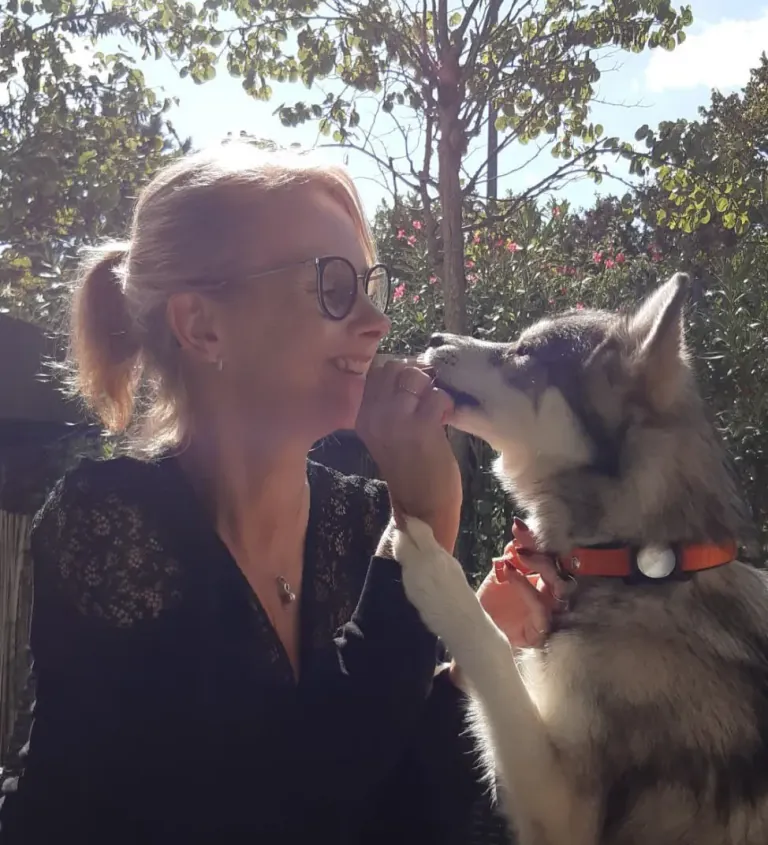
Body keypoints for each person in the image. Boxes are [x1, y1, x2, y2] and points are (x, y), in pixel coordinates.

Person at [0, 142, 529, 845]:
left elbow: (390, 809)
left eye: (372, 286)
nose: (375, 322)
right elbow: (266, 804)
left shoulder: (359, 518)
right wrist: (423, 537)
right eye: (333, 285)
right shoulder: (109, 523)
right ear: (203, 325)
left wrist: (473, 665)